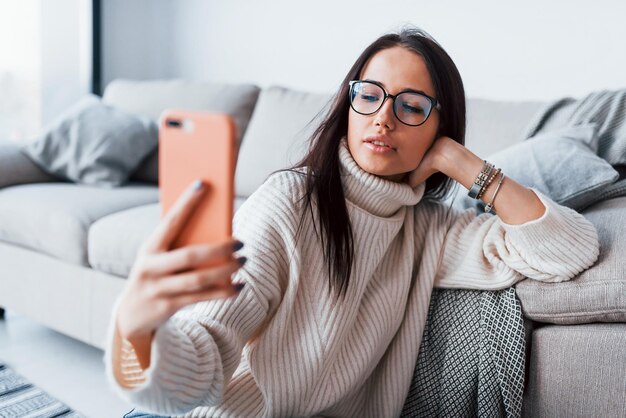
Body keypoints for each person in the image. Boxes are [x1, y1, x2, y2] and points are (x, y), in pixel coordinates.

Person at [105, 27, 600, 418]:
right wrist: (138, 329)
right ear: (349, 103)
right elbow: (205, 358)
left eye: (411, 107)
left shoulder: (428, 230)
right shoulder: (289, 202)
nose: (382, 118)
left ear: (439, 128)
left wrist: (465, 164)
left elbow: (569, 250)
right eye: (370, 95)